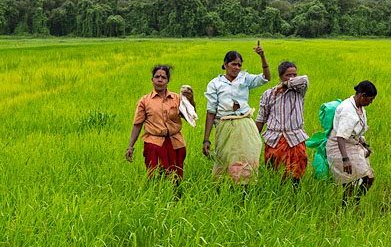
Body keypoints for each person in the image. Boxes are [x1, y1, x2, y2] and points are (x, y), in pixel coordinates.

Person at [202, 43, 271, 183]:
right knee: (225, 158)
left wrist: (262, 56)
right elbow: (210, 112)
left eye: (239, 65)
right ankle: (225, 188)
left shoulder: (244, 79)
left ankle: (246, 186)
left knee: (247, 156)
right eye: (234, 64)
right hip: (225, 125)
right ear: (225, 64)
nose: (237, 68)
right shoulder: (215, 83)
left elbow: (266, 77)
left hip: (244, 124)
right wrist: (206, 139)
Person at [126, 64, 188, 180]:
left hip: (175, 143)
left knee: (176, 178)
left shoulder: (177, 98)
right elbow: (137, 124)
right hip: (154, 144)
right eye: (157, 76)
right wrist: (130, 146)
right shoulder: (145, 101)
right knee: (155, 177)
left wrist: (190, 100)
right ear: (152, 80)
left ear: (168, 81)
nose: (160, 80)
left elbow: (190, 116)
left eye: (163, 77)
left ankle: (176, 197)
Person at [256, 61, 309, 183]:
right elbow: (261, 118)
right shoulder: (269, 94)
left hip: (295, 138)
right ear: (280, 76)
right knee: (276, 176)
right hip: (275, 140)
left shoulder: (299, 91)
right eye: (288, 75)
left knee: (296, 176)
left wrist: (284, 85)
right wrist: (253, 138)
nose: (292, 78)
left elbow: (304, 79)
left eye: (294, 75)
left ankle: (294, 200)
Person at [326, 81, 377, 204]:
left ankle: (354, 202)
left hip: (351, 143)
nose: (371, 102)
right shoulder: (347, 110)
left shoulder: (360, 107)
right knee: (348, 182)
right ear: (362, 95)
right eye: (370, 99)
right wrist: (345, 159)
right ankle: (346, 207)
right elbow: (340, 136)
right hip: (339, 146)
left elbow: (357, 132)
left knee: (369, 177)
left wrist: (364, 145)